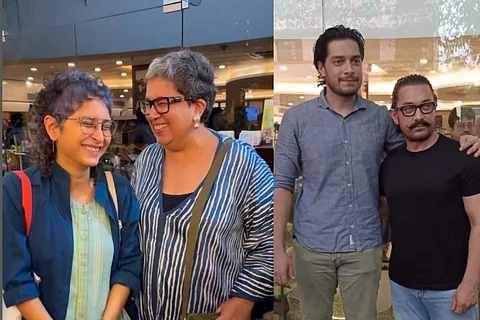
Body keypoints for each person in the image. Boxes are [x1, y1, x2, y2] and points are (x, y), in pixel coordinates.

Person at [274, 25, 480, 320]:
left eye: (355, 61)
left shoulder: (380, 119)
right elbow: (282, 183)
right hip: (311, 246)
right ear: (321, 66)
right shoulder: (297, 120)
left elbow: (419, 149)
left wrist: (466, 144)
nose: (349, 69)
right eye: (339, 61)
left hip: (364, 247)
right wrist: (278, 248)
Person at [131, 49, 274, 320]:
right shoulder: (147, 161)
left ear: (197, 107)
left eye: (162, 103)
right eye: (148, 104)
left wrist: (244, 300)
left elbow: (268, 243)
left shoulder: (242, 163)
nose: (151, 114)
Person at [2, 71, 142, 320]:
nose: (100, 137)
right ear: (53, 127)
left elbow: (129, 264)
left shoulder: (118, 191)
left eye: (105, 126)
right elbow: (16, 278)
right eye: (88, 124)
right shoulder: (17, 189)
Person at [379, 74, 480, 319]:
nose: (418, 116)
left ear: (434, 108)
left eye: (425, 106)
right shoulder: (389, 164)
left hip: (451, 289)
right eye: (408, 109)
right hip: (402, 286)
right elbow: (383, 216)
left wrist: (469, 284)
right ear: (395, 115)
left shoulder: (463, 156)